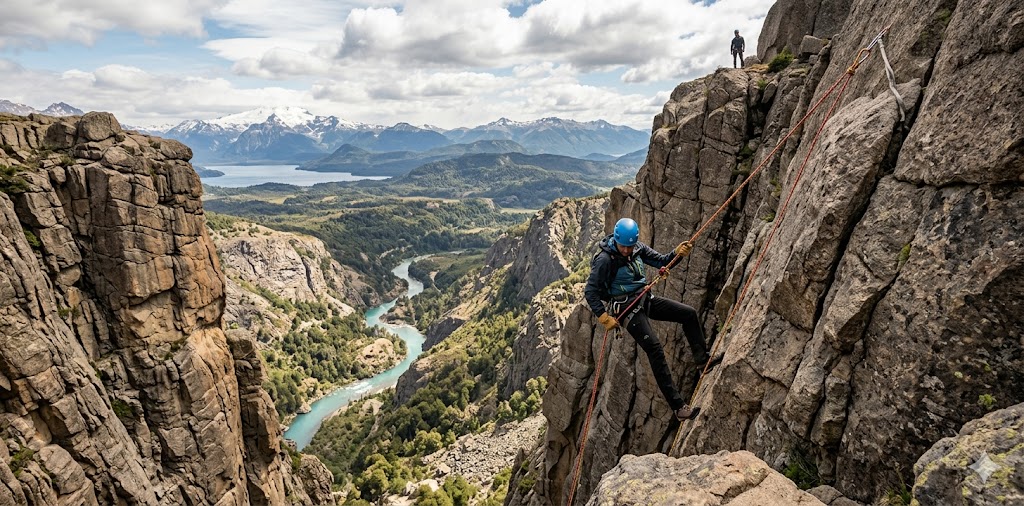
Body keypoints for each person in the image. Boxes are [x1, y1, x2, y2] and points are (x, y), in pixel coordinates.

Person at [584, 218, 722, 421]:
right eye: (623, 246)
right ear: (616, 240)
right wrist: (604, 317)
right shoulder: (605, 260)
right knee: (655, 350)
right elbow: (591, 291)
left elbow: (662, 261)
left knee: (689, 314)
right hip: (625, 308)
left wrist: (677, 254)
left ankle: (703, 361)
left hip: (644, 298)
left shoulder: (636, 248)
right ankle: (679, 408)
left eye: (629, 247)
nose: (626, 251)